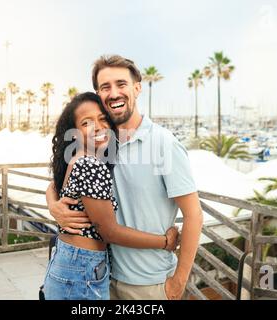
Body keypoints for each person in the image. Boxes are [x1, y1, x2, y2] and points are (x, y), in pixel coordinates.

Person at [47, 55, 203, 300]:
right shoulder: (101, 143)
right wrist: (54, 205)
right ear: (98, 94)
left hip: (148, 286)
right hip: (104, 275)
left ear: (137, 88)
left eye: (121, 84)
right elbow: (67, 180)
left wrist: (179, 282)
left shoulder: (163, 144)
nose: (114, 93)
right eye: (105, 87)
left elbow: (194, 214)